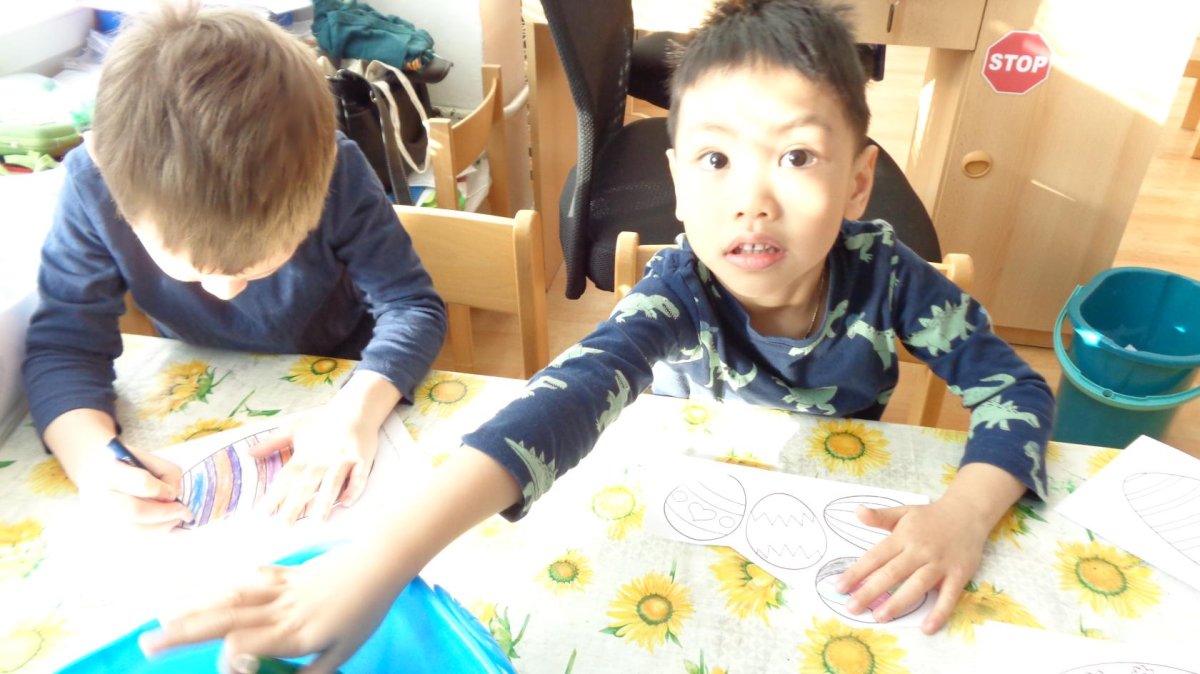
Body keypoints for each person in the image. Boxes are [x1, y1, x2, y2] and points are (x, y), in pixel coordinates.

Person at [140, 0, 1053, 670]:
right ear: (677, 182)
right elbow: (565, 398)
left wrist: (964, 512)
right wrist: (380, 558)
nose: (752, 198)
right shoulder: (679, 288)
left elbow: (1016, 389)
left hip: (832, 531)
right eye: (716, 158)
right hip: (692, 509)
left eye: (798, 156)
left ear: (857, 183)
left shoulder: (891, 277)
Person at [21, 3, 447, 532]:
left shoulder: (335, 168)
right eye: (196, 269)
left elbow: (411, 306)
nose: (225, 291)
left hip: (346, 375)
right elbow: (64, 345)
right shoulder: (92, 184)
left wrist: (354, 412)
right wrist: (92, 461)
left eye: (256, 266)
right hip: (198, 389)